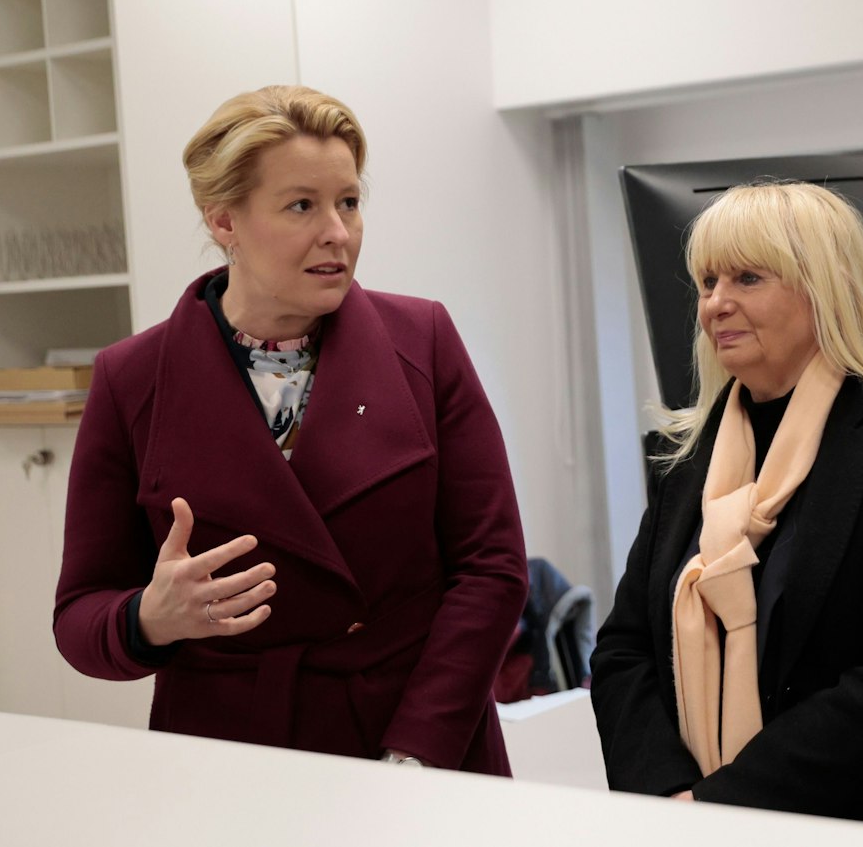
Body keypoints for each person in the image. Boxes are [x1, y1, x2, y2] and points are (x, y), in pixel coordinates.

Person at [54, 84, 527, 772]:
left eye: (349, 202)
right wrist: (148, 618)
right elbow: (78, 614)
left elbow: (492, 567)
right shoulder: (130, 378)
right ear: (224, 220)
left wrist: (418, 749)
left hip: (420, 735)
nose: (338, 231)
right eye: (302, 205)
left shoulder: (422, 341)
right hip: (233, 755)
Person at [591, 181, 863, 835]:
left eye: (748, 277)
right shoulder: (686, 457)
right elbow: (623, 649)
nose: (716, 303)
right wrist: (667, 798)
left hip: (862, 824)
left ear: (823, 289)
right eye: (708, 281)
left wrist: (722, 806)